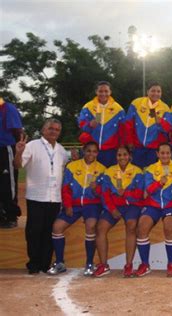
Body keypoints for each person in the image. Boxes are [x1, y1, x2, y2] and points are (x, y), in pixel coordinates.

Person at [13, 119, 69, 274]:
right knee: (34, 231)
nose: (54, 131)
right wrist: (18, 152)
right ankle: (34, 264)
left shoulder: (61, 150)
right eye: (50, 128)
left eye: (57, 129)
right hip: (36, 196)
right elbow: (17, 165)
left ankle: (45, 263)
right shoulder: (32, 146)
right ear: (43, 129)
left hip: (54, 198)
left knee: (49, 231)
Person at [47, 142, 106, 276]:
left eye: (94, 152)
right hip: (74, 204)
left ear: (97, 153)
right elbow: (66, 188)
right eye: (89, 151)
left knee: (91, 226)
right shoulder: (72, 166)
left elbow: (102, 193)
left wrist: (95, 189)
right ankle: (60, 262)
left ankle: (89, 263)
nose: (91, 154)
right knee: (57, 227)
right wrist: (67, 205)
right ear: (83, 151)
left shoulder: (102, 169)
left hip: (92, 205)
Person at [93, 146, 144, 277]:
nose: (122, 157)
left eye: (125, 154)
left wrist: (125, 194)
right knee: (100, 228)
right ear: (116, 157)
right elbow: (105, 193)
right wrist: (112, 209)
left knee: (131, 226)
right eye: (119, 155)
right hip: (114, 206)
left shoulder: (137, 171)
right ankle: (104, 265)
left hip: (131, 205)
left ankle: (128, 265)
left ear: (130, 156)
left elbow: (139, 194)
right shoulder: (109, 171)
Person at [135, 143, 172, 277]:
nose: (165, 155)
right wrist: (159, 183)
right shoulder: (150, 170)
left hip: (170, 206)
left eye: (167, 153)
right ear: (157, 154)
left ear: (171, 154)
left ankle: (171, 264)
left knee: (169, 226)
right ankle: (145, 264)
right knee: (142, 227)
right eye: (162, 153)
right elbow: (148, 190)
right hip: (153, 205)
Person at [78, 81, 126, 167]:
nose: (103, 94)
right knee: (90, 177)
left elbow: (123, 131)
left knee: (108, 177)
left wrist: (121, 146)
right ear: (96, 92)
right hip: (91, 151)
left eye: (106, 91)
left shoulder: (118, 109)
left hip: (111, 151)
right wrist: (89, 125)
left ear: (110, 92)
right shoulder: (87, 107)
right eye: (100, 91)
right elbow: (81, 124)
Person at [124, 83, 170, 168]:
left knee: (152, 172)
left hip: (154, 148)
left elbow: (167, 129)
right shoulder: (136, 103)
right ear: (147, 91)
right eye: (153, 91)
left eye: (158, 91)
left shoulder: (165, 108)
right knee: (136, 171)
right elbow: (128, 124)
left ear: (161, 93)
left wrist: (160, 122)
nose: (155, 93)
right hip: (137, 146)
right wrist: (129, 141)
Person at [0, 98, 23, 228]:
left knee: (8, 183)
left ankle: (11, 215)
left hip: (5, 147)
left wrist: (17, 148)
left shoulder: (6, 107)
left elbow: (17, 130)